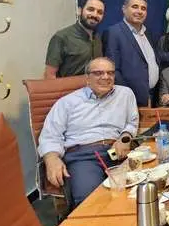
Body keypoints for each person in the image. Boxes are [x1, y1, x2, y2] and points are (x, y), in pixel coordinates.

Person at [37, 57, 139, 208]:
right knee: (90, 202)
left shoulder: (125, 94)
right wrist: (51, 159)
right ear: (87, 78)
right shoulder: (67, 102)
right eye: (98, 73)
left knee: (141, 190)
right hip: (83, 156)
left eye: (110, 73)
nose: (106, 77)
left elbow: (131, 122)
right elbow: (50, 135)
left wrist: (125, 138)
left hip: (117, 151)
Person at [105, 0, 159, 107]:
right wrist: (128, 96)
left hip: (151, 97)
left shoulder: (147, 33)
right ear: (124, 9)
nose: (139, 11)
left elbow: (156, 57)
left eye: (143, 8)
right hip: (130, 100)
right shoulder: (114, 33)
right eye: (135, 7)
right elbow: (113, 70)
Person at [44, 0, 105, 78]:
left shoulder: (98, 38)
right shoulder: (62, 37)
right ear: (79, 11)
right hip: (69, 86)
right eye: (90, 9)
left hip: (94, 85)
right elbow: (49, 75)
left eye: (100, 12)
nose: (95, 14)